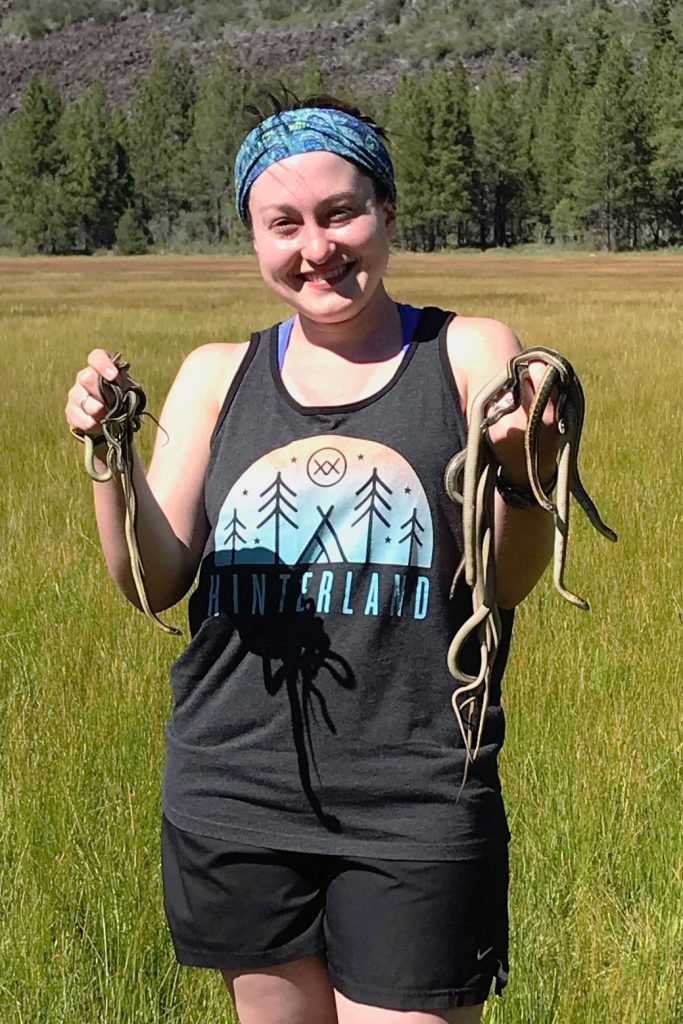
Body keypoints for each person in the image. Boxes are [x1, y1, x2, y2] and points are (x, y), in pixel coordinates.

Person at [65, 97, 559, 1024]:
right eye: (283, 223)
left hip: (416, 794)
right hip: (234, 790)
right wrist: (109, 453)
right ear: (251, 235)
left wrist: (524, 473)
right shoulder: (219, 372)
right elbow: (151, 578)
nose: (317, 247)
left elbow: (504, 583)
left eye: (341, 213)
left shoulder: (467, 352)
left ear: (389, 214)